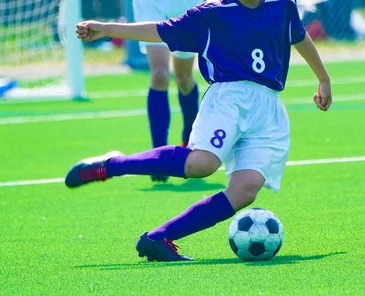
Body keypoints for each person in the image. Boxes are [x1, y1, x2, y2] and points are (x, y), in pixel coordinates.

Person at [67, 0, 332, 261]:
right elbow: (162, 30)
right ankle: (111, 165)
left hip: (269, 108)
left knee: (245, 191)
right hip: (229, 99)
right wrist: (107, 28)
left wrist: (323, 78)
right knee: (201, 164)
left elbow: (298, 35)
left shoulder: (282, 5)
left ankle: (158, 239)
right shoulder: (212, 12)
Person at [133, 0, 203, 183]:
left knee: (184, 80)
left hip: (185, 4)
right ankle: (159, 158)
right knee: (159, 75)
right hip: (152, 4)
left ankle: (189, 142)